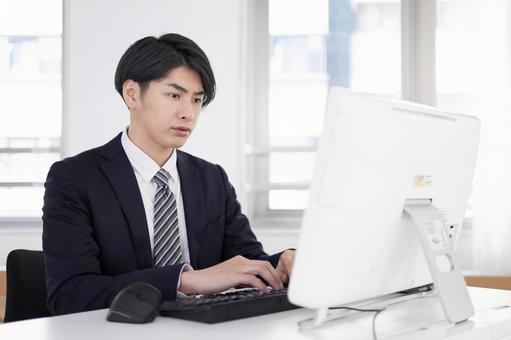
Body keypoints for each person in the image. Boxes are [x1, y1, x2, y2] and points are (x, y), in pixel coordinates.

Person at [42, 33, 295, 315]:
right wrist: (186, 280)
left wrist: (282, 264)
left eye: (197, 100)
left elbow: (246, 265)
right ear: (132, 94)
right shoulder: (75, 178)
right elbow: (70, 294)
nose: (188, 113)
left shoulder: (212, 179)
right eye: (174, 95)